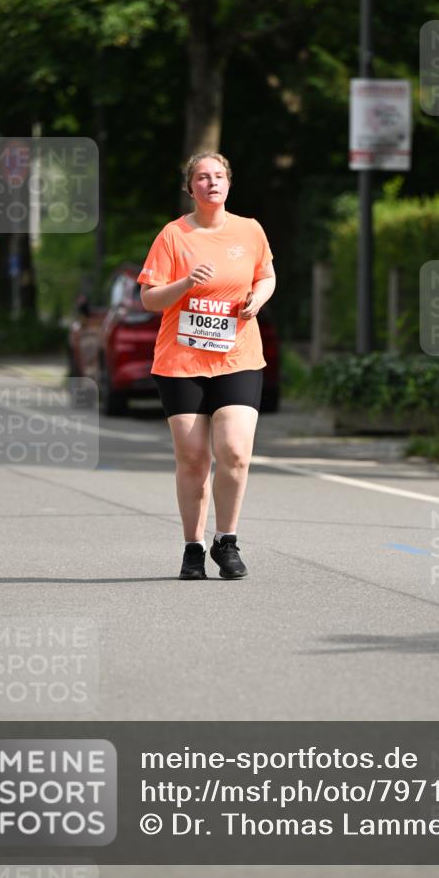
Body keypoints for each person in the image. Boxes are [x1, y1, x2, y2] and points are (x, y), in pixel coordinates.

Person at [138, 152, 276, 580]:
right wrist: (186, 283)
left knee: (234, 450)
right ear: (190, 187)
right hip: (182, 361)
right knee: (194, 458)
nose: (211, 183)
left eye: (218, 176)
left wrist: (259, 297)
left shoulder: (250, 230)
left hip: (238, 356)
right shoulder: (173, 236)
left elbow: (266, 275)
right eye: (202, 177)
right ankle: (193, 547)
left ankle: (227, 542)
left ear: (229, 184)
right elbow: (149, 298)